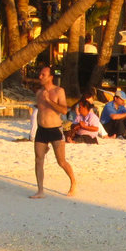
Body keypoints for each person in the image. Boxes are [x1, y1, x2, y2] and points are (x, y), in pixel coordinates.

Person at [32, 65, 77, 198]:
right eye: (40, 74)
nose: (40, 77)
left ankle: (73, 182)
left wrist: (48, 100)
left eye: (43, 75)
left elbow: (63, 110)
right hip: (41, 130)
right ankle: (40, 190)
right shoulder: (39, 93)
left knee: (61, 161)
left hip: (55, 130)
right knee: (38, 160)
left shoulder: (59, 91)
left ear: (51, 77)